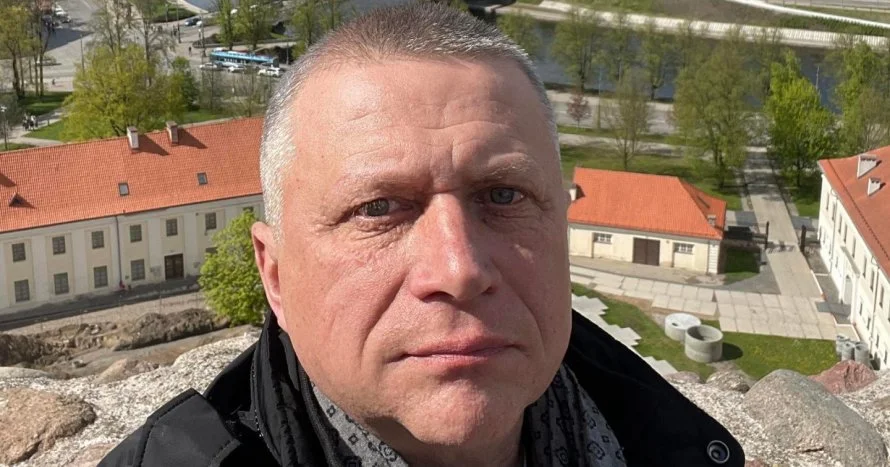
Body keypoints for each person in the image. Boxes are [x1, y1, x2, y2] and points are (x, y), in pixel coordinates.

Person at [100, 3, 744, 466]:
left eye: (503, 196)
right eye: (378, 208)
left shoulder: (662, 436)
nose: (459, 269)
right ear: (276, 276)